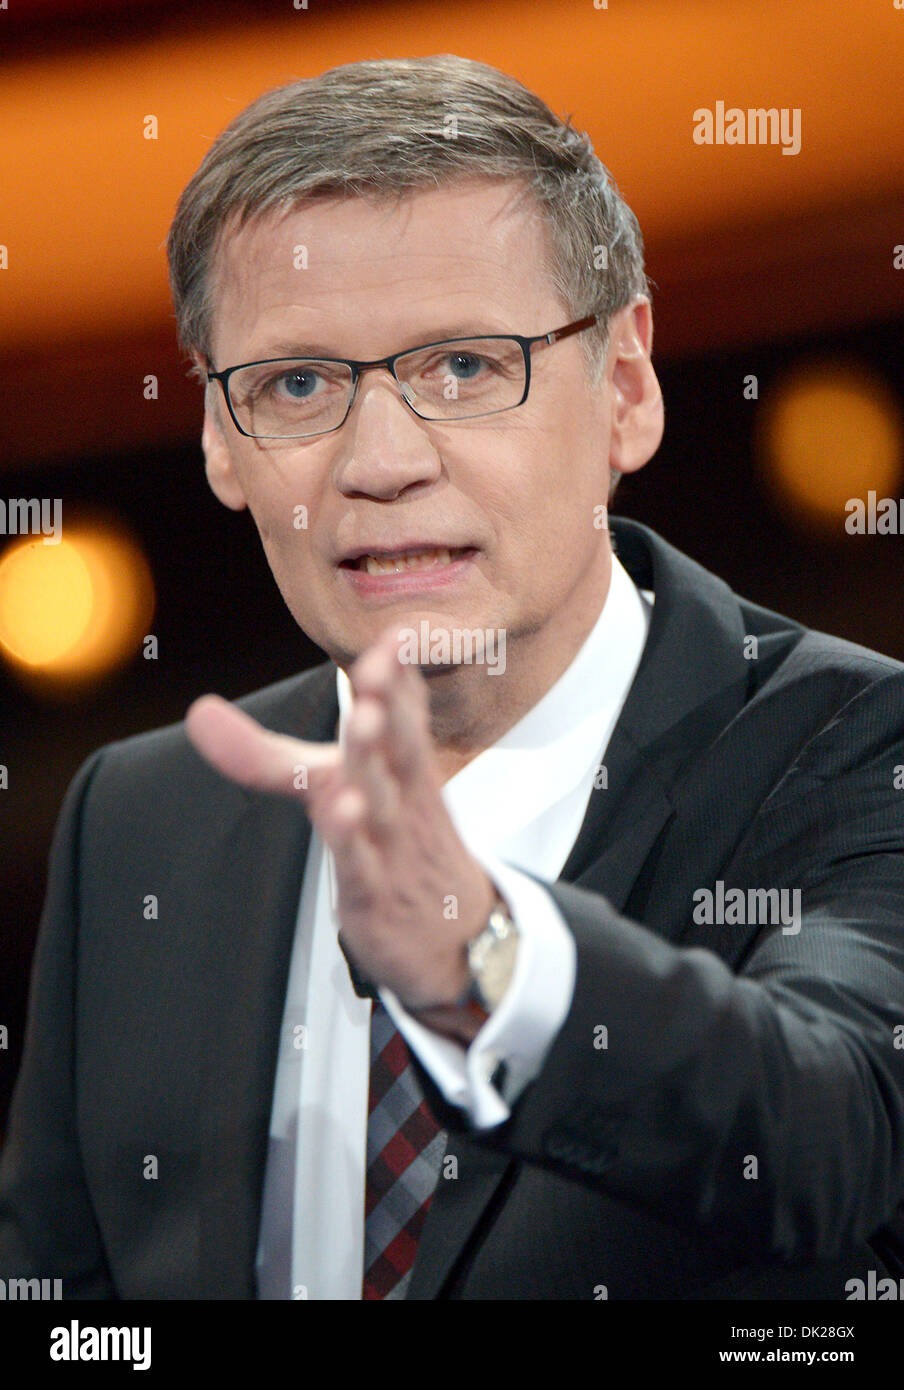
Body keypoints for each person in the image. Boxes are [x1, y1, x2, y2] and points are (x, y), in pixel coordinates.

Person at [2, 53, 904, 1302]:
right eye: (298, 383)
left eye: (465, 367)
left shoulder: (854, 747)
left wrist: (486, 962)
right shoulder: (140, 821)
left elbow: (830, 1133)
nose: (379, 462)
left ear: (624, 388)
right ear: (218, 437)